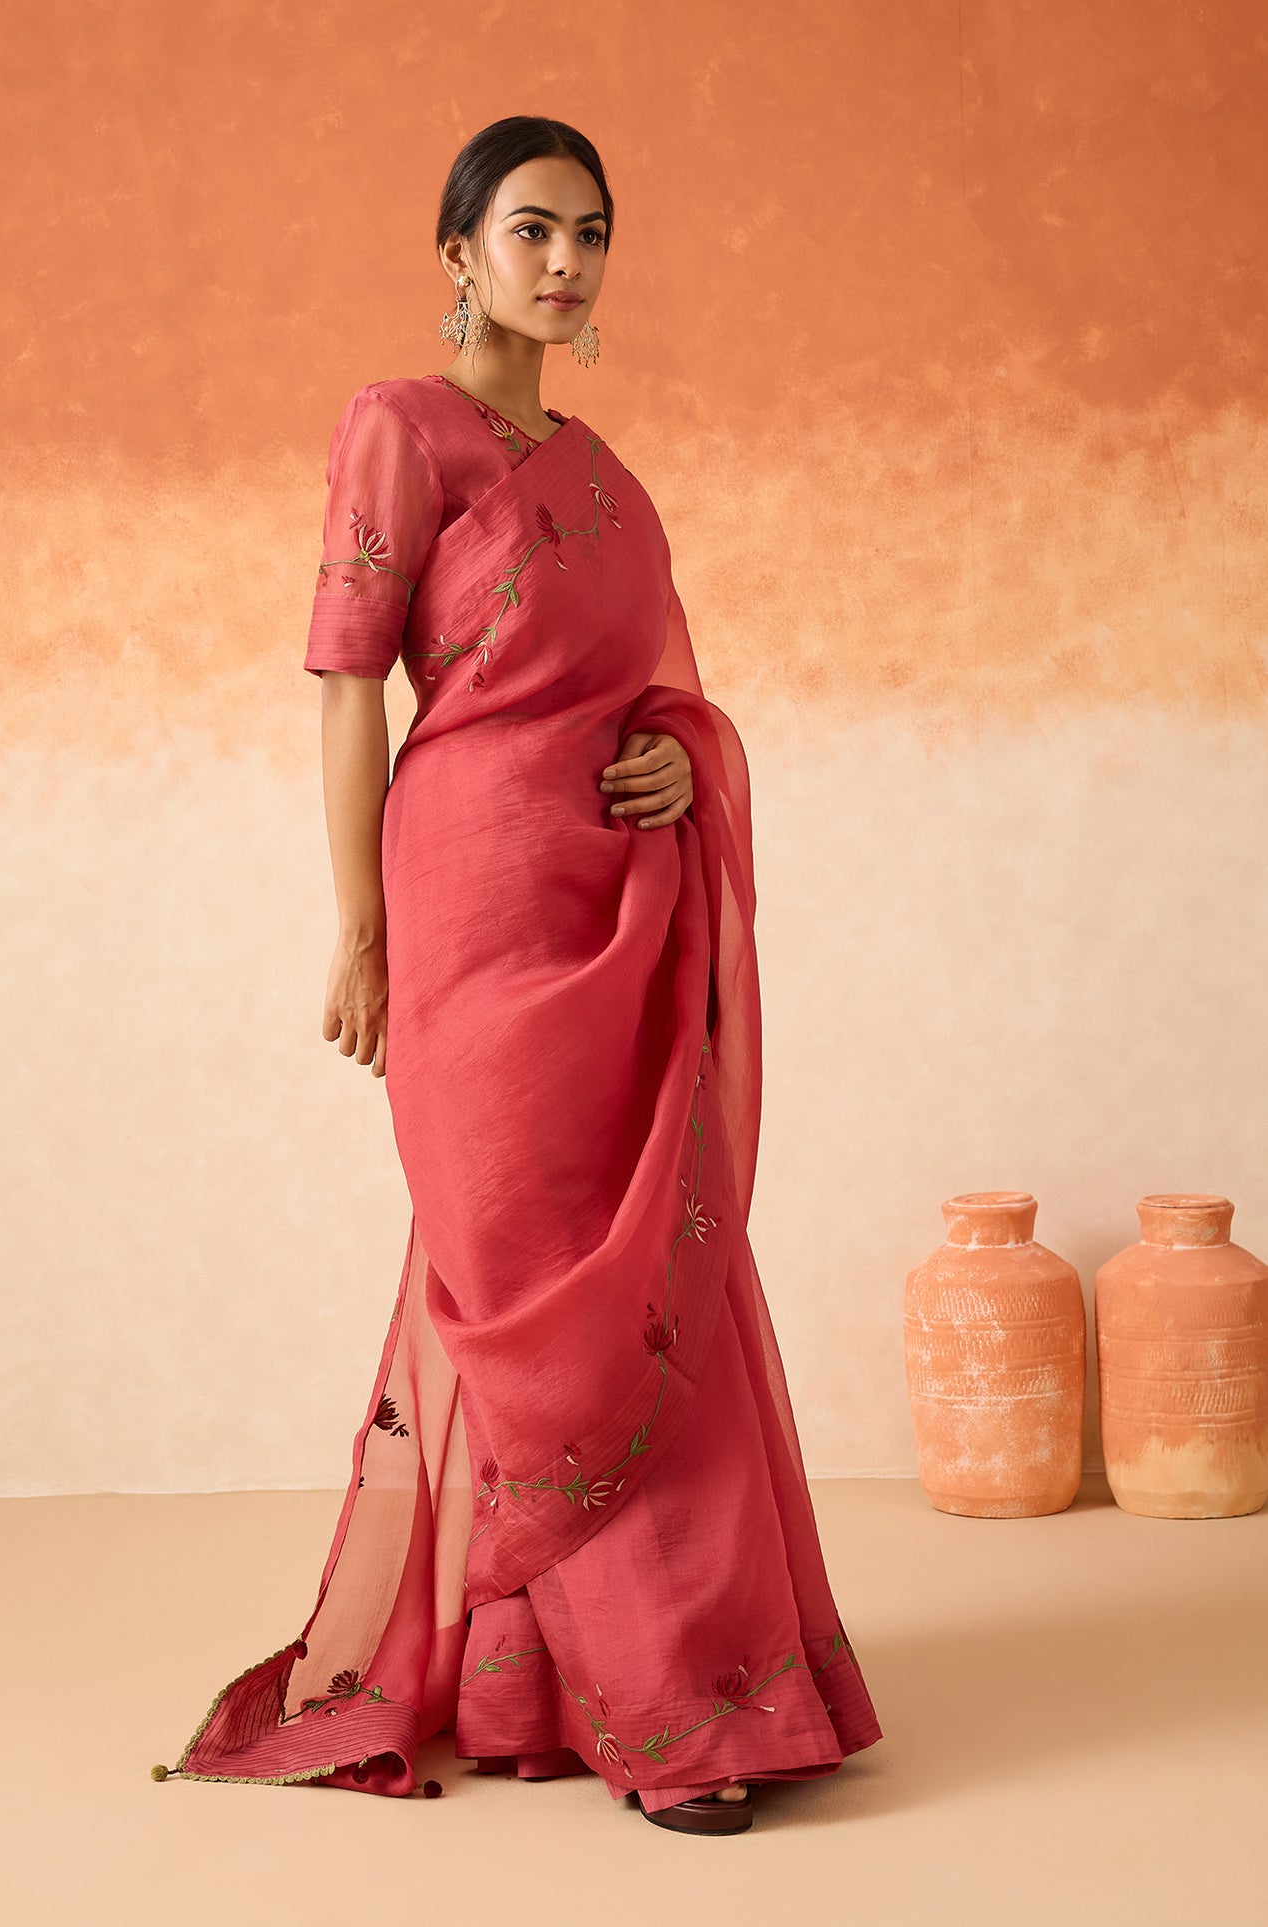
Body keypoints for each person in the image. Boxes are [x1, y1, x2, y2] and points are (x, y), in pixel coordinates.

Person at [153, 115, 883, 1838]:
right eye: (533, 228)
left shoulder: (607, 476)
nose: (566, 261)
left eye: (592, 233)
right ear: (459, 257)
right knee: (529, 1279)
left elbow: (655, 691)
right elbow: (349, 685)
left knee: (649, 1270)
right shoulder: (398, 430)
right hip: (473, 912)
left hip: (616, 914)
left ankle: (565, 1680)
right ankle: (668, 1717)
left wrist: (683, 759)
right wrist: (359, 929)